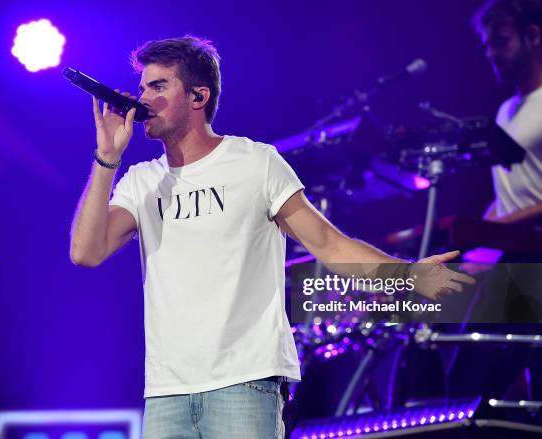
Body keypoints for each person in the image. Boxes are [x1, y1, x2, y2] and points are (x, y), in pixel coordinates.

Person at [69, 35, 473, 439]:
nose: (143, 99)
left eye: (158, 87)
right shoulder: (142, 182)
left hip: (246, 382)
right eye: (142, 88)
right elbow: (86, 252)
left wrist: (405, 275)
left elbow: (328, 243)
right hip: (166, 392)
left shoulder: (254, 162)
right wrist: (107, 158)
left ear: (198, 96)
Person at [474, 0, 542, 224]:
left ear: (533, 36)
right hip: (514, 249)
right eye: (487, 45)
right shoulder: (504, 111)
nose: (491, 54)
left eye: (501, 42)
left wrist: (502, 227)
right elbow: (509, 197)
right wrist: (477, 235)